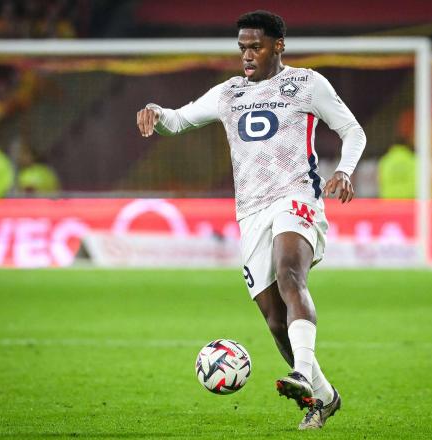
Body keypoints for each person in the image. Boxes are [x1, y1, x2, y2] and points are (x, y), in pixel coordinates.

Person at [137, 10, 366, 430]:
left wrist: (345, 170)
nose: (247, 54)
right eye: (242, 47)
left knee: (289, 275)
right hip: (250, 212)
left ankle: (300, 373)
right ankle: (325, 395)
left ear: (279, 46)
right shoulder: (229, 93)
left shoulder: (307, 83)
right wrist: (156, 111)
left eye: (256, 46)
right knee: (275, 319)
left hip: (296, 197)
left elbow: (353, 130)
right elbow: (179, 119)